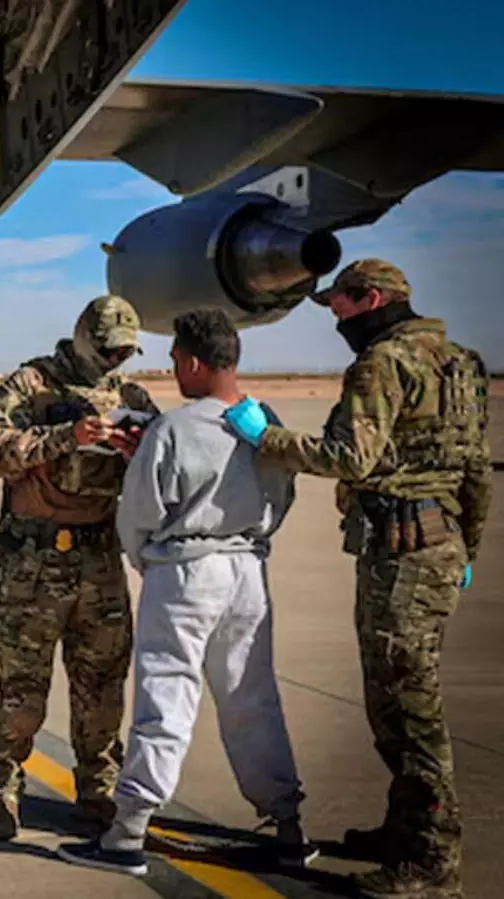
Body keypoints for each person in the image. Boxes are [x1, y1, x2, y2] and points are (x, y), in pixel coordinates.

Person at [227, 259, 492, 898]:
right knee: (397, 701)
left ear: (369, 298)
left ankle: (432, 862)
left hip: (401, 557)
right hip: (439, 545)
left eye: (341, 307)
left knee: (407, 708)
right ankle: (406, 829)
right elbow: (476, 471)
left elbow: (350, 457)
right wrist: (467, 548)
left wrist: (268, 438)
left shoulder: (382, 363)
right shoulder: (463, 362)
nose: (337, 320)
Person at [55, 308, 316, 876]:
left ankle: (127, 832)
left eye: (175, 360)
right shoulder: (262, 421)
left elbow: (141, 515)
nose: (174, 372)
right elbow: (284, 495)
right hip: (247, 570)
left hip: (185, 573)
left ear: (195, 361)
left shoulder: (171, 429)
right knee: (252, 698)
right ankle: (288, 824)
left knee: (166, 701)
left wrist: (149, 559)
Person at [0, 295, 160, 839]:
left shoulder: (131, 396)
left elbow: (160, 468)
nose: (114, 361)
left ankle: (98, 788)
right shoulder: (30, 385)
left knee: (102, 683)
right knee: (23, 684)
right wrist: (65, 438)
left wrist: (135, 448)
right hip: (36, 560)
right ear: (81, 335)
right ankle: (2, 784)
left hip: (99, 558)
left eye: (124, 352)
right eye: (107, 349)